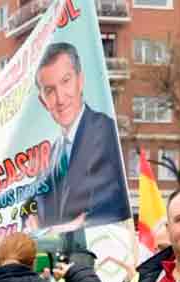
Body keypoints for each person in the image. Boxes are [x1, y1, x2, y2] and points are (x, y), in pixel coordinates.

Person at [31, 42, 131, 232]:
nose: (60, 98)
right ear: (42, 101)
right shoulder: (52, 153)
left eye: (66, 81)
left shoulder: (106, 133)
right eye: (50, 91)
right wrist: (29, 215)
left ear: (81, 80)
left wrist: (74, 227)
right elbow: (32, 200)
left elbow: (112, 203)